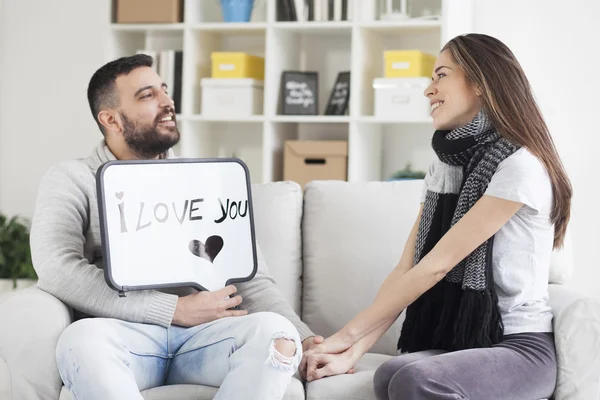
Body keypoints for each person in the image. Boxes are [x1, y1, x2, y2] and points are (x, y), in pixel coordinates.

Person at [29, 54, 324, 400]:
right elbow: (56, 268)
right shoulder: (71, 178)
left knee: (279, 334)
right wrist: (173, 310)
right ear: (110, 119)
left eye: (164, 91)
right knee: (80, 341)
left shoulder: (206, 180)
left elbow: (251, 279)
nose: (168, 102)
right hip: (124, 337)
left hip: (207, 339)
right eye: (147, 95)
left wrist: (305, 338)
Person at [301, 33, 572, 400]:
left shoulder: (518, 165)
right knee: (390, 375)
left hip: (521, 348)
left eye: (440, 75)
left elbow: (437, 266)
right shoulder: (445, 168)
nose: (428, 90)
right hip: (468, 344)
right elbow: (408, 268)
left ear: (479, 82)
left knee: (416, 380)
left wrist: (343, 335)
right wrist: (353, 351)